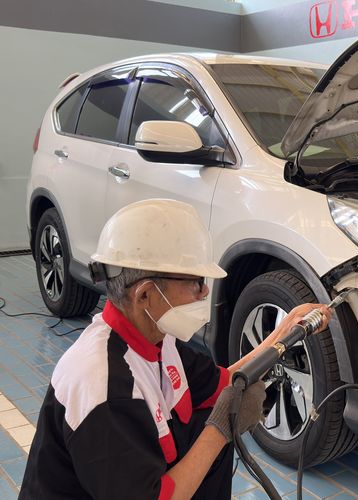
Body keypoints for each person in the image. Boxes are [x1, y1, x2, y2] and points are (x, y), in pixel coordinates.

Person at [19, 199, 331, 500]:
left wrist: (283, 332)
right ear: (145, 294)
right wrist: (222, 427)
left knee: (204, 425)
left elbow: (223, 384)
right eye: (195, 282)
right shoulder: (106, 387)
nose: (205, 291)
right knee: (211, 432)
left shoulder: (154, 338)